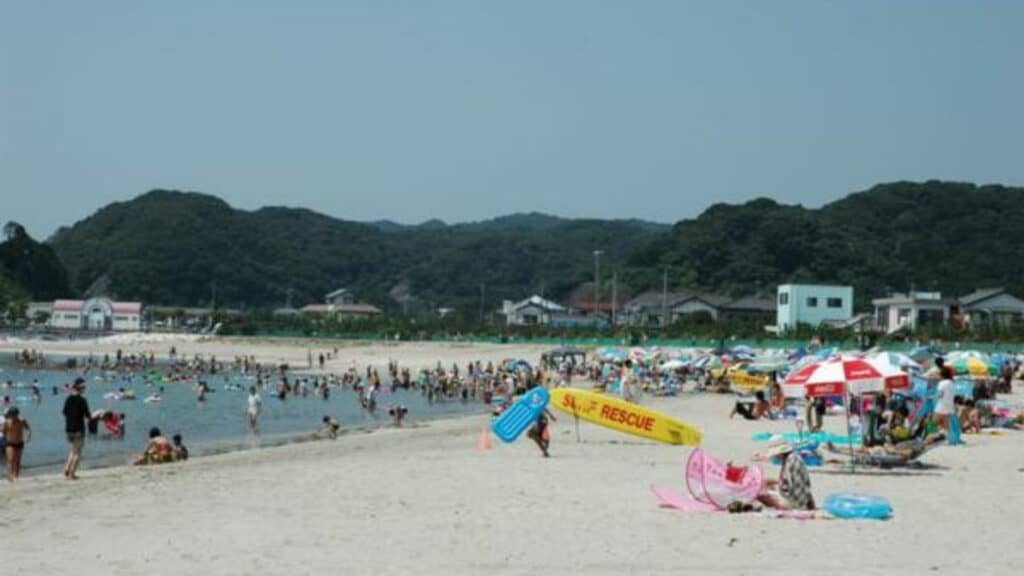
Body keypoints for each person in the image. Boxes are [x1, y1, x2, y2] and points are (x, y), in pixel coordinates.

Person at [757, 444, 815, 511]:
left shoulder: (791, 461)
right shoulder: (794, 457)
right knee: (767, 485)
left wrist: (776, 491)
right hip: (803, 499)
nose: (776, 456)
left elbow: (788, 486)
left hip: (794, 502)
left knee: (760, 495)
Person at [62, 377, 91, 480]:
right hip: (79, 428)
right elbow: (88, 415)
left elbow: (64, 412)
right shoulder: (82, 400)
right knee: (78, 452)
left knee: (72, 450)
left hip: (69, 428)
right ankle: (72, 473)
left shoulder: (68, 399)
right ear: (81, 388)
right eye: (84, 387)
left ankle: (66, 468)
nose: (85, 389)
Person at [3, 407, 31, 481]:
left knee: (18, 460)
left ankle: (16, 476)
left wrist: (28, 436)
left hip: (19, 443)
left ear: (17, 414)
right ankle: (9, 476)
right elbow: (3, 432)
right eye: (11, 415)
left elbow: (28, 429)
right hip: (9, 443)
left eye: (14, 415)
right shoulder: (7, 422)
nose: (13, 417)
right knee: (10, 459)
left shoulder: (22, 421)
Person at [934, 366, 957, 435]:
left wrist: (932, 397)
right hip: (950, 404)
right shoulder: (952, 382)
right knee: (946, 422)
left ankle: (934, 435)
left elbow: (940, 394)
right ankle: (950, 437)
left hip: (942, 404)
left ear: (942, 375)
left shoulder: (942, 383)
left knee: (934, 421)